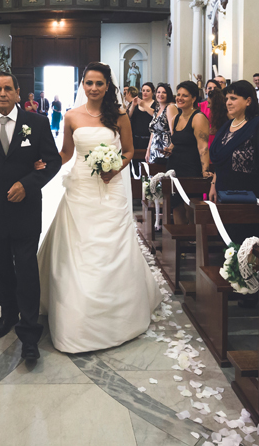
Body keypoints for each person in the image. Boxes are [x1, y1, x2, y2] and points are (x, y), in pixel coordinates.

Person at [38, 62, 161, 353]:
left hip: (111, 186)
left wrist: (115, 167)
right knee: (80, 247)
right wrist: (42, 164)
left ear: (108, 86)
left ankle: (119, 313)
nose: (94, 88)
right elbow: (67, 153)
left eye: (99, 83)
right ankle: (75, 312)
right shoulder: (71, 116)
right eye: (89, 82)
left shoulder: (119, 115)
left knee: (112, 246)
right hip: (80, 186)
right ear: (83, 84)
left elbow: (130, 151)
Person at [0, 72, 61, 361]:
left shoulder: (36, 123)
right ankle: (7, 313)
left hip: (26, 209)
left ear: (19, 93)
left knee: (27, 269)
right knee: (1, 267)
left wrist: (27, 185)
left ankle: (30, 332)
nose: (2, 93)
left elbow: (53, 162)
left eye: (8, 88)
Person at [208, 81, 259, 212]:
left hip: (249, 195)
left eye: (233, 98)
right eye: (227, 99)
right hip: (223, 193)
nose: (228, 102)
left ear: (248, 101)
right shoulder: (227, 125)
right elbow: (221, 161)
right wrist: (213, 184)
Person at [166, 80, 211, 227]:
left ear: (193, 98)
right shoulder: (175, 118)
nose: (179, 98)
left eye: (184, 95)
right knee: (176, 205)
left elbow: (203, 146)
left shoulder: (198, 117)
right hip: (174, 166)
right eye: (178, 95)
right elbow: (176, 140)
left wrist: (205, 170)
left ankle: (194, 239)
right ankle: (181, 240)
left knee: (189, 205)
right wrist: (170, 148)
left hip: (191, 167)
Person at [147, 83, 174, 165]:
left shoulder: (170, 107)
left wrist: (170, 148)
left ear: (168, 94)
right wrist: (148, 149)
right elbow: (153, 132)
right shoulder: (157, 108)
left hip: (165, 148)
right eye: (158, 92)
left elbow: (174, 131)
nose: (160, 95)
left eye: (164, 92)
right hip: (154, 149)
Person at [126, 82, 157, 150]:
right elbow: (127, 117)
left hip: (150, 139)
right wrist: (133, 106)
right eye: (143, 90)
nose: (145, 92)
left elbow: (156, 116)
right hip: (136, 138)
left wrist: (144, 106)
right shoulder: (136, 103)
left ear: (152, 92)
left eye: (148, 91)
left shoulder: (156, 104)